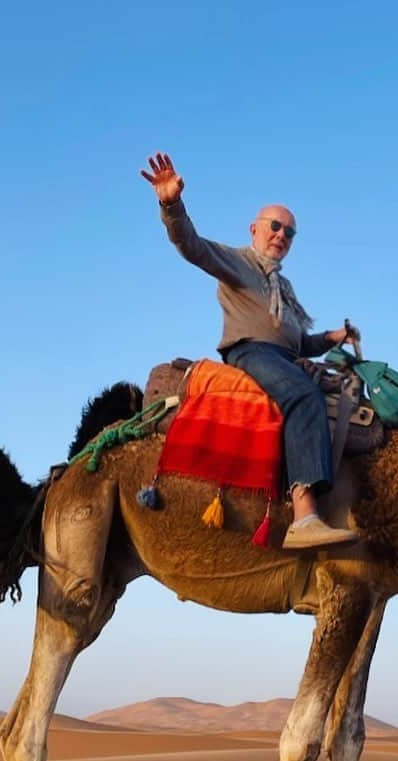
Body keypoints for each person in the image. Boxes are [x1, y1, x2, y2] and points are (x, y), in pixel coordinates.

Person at [140, 152, 359, 550]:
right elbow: (191, 246)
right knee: (303, 397)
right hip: (251, 354)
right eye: (275, 227)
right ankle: (304, 515)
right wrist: (171, 204)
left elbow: (295, 342)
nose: (281, 236)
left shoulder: (283, 289)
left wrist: (331, 337)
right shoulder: (237, 263)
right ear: (255, 229)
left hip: (282, 356)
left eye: (290, 233)